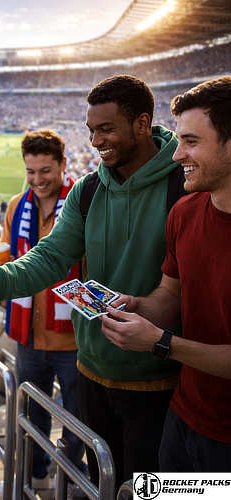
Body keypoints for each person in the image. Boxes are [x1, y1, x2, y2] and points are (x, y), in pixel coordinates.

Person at [0, 75, 182, 487]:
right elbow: (51, 257)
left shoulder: (183, 185)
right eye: (91, 130)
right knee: (101, 484)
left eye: (106, 128)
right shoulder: (89, 191)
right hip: (92, 366)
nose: (95, 141)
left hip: (160, 378)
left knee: (153, 488)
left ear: (143, 124)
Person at [100, 77, 231, 472]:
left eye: (191, 142)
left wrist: (159, 343)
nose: (177, 156)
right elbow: (170, 295)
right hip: (181, 416)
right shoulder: (185, 212)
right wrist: (140, 307)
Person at [0, 130, 84, 489]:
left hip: (75, 336)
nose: (37, 180)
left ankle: (73, 481)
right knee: (30, 413)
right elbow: (11, 256)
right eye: (30, 172)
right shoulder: (18, 204)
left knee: (78, 419)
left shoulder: (83, 201)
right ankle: (35, 475)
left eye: (45, 170)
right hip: (27, 332)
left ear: (63, 164)